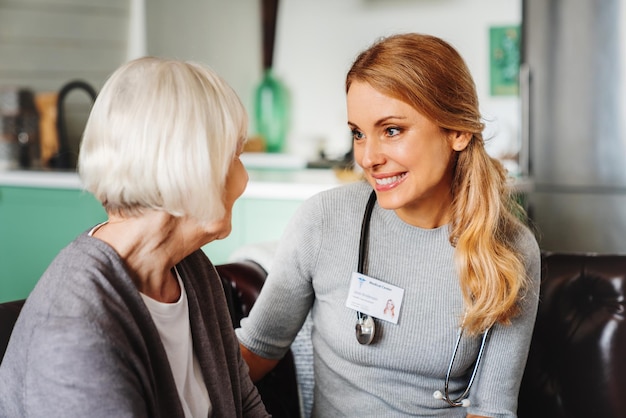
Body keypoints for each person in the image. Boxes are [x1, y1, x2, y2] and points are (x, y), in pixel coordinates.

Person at [236, 33, 540, 417]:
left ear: (458, 131)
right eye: (358, 133)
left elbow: (491, 408)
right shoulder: (323, 221)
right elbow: (254, 353)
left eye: (392, 130)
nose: (367, 157)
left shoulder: (509, 247)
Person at [0, 57, 269, 418]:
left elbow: (244, 404)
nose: (244, 179)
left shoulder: (193, 271)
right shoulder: (75, 333)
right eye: (234, 156)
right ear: (190, 168)